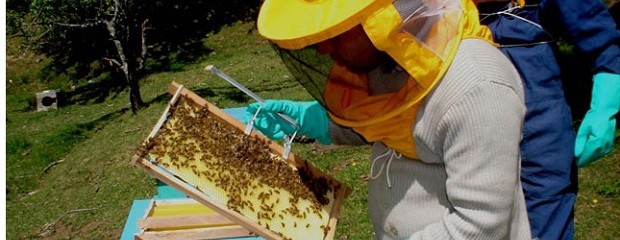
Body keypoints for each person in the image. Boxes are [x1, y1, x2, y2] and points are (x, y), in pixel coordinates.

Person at [244, 0, 531, 239]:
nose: (322, 48)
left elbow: (481, 224)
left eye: (336, 34)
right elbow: (384, 119)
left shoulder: (478, 86)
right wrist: (312, 121)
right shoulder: (388, 58)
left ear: (382, 18)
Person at [473, 0, 620, 239]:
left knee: (544, 210)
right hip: (456, 77)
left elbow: (593, 26)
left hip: (532, 84)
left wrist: (607, 96)